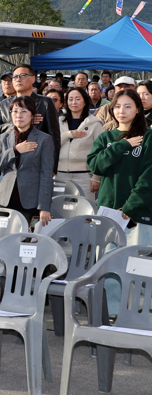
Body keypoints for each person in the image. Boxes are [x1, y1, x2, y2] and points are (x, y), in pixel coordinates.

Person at [87, 89, 152, 313]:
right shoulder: (106, 137)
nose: (121, 111)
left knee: (139, 267)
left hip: (137, 214)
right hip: (108, 213)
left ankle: (140, 316)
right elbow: (96, 165)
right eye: (117, 106)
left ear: (138, 109)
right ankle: (115, 315)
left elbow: (148, 177)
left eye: (127, 106)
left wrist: (130, 206)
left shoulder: (149, 137)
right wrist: (122, 145)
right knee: (110, 266)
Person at [0, 97, 54, 226]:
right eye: (15, 111)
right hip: (5, 200)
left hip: (30, 201)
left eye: (24, 111)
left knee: (25, 241)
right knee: (2, 239)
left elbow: (46, 175)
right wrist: (14, 151)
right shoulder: (4, 137)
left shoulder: (44, 139)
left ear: (32, 115)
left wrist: (44, 207)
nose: (18, 115)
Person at [0, 64, 61, 173]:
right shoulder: (4, 104)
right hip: (9, 165)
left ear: (33, 78)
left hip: (36, 164)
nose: (18, 79)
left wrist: (52, 169)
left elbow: (54, 137)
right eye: (15, 77)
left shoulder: (45, 102)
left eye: (22, 76)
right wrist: (16, 125)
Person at [58, 87, 103, 200]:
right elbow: (53, 145)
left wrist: (96, 178)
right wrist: (69, 134)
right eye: (70, 99)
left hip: (85, 175)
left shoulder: (95, 123)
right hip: (61, 175)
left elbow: (101, 152)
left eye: (77, 99)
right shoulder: (59, 121)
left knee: (85, 211)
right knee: (60, 210)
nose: (73, 102)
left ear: (85, 101)